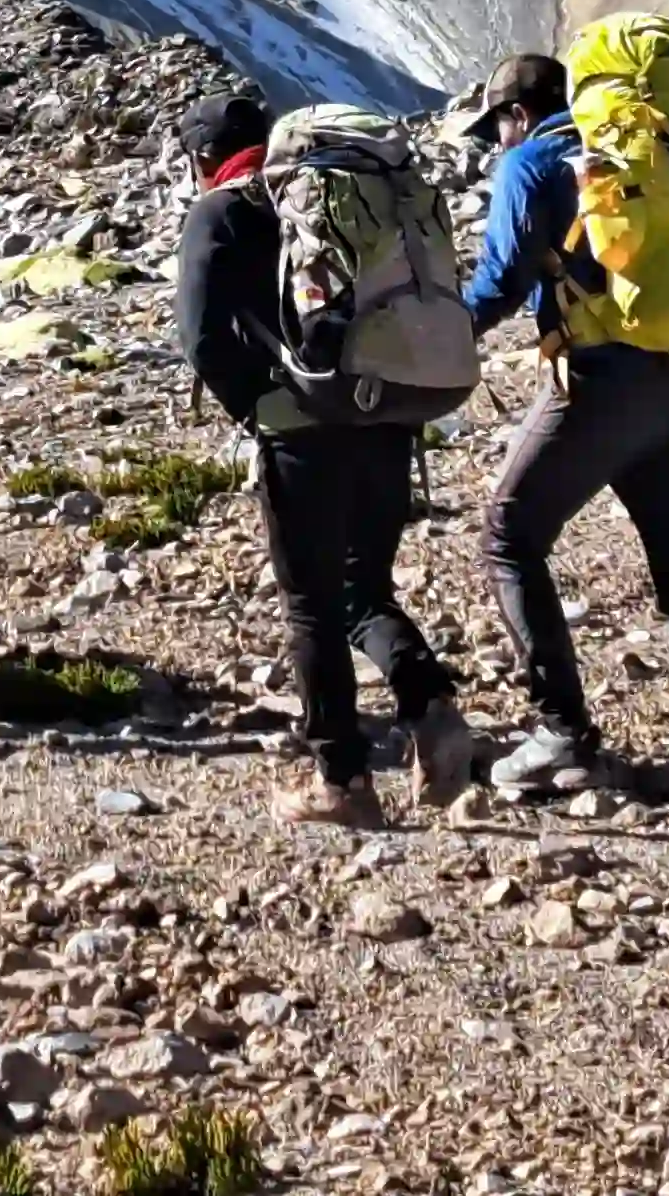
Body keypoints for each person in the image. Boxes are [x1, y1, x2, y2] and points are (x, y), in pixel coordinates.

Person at [461, 18, 669, 814]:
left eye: (495, 126)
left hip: (603, 383)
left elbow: (499, 281)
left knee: (509, 536)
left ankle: (562, 734)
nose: (496, 142)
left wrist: (428, 340)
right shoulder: (664, 153)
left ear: (516, 116)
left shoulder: (534, 162)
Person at [172, 87, 481, 828]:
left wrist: (258, 407)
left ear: (202, 159)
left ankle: (340, 780)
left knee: (311, 602)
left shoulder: (221, 213)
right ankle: (430, 705)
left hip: (300, 428)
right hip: (386, 412)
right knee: (361, 590)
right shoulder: (339, 192)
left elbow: (202, 338)